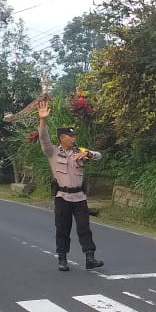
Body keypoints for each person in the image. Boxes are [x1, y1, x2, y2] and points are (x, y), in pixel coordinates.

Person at [37, 99, 103, 271]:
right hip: (62, 197)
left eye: (74, 136)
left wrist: (88, 153)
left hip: (79, 197)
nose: (74, 138)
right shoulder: (53, 152)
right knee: (63, 229)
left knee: (84, 228)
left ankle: (90, 258)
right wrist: (43, 120)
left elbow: (98, 155)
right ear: (62, 138)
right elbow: (43, 139)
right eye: (71, 136)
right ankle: (62, 259)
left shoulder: (79, 151)